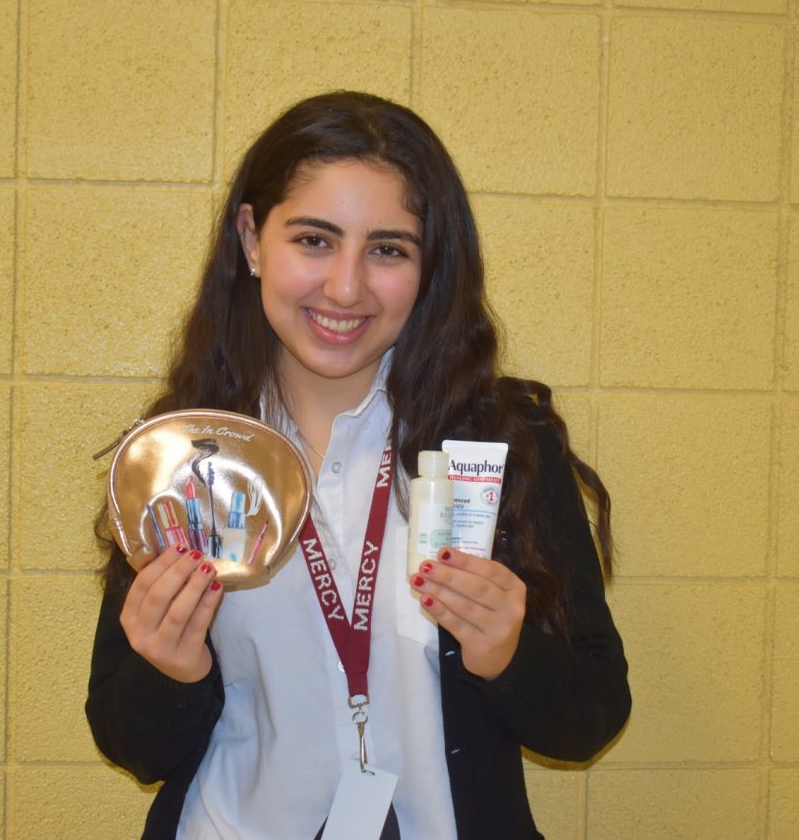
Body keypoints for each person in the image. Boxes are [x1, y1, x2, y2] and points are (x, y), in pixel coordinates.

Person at [86, 91, 631, 840]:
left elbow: (590, 715)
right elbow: (128, 740)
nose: (346, 287)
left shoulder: (505, 442)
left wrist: (508, 656)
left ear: (430, 263)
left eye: (387, 249)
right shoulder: (182, 456)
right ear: (251, 238)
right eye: (313, 240)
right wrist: (170, 673)